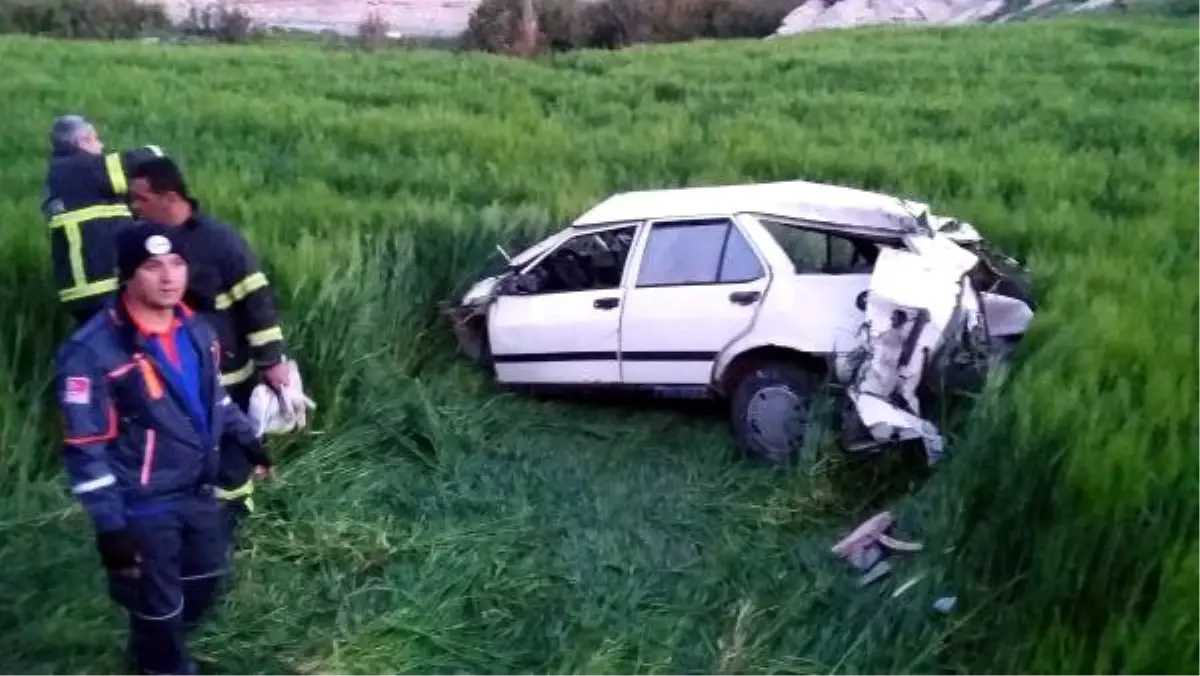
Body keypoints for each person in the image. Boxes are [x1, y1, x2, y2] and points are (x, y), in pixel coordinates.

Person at [55, 221, 266, 675]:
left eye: (176, 263)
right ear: (128, 275)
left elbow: (217, 400)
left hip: (198, 488)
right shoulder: (91, 352)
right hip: (144, 504)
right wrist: (112, 528)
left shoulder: (198, 331)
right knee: (162, 613)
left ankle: (150, 641)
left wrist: (249, 442)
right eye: (152, 266)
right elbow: (85, 447)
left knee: (206, 582)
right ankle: (162, 659)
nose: (169, 277)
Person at [124, 155, 313, 540]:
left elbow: (256, 304)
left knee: (228, 444)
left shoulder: (220, 242)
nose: (134, 206)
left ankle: (234, 512)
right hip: (168, 372)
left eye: (141, 198)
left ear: (169, 197)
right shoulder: (144, 242)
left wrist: (271, 360)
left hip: (225, 372)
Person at [41, 114, 167, 325]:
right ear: (82, 141)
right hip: (100, 285)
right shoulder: (76, 169)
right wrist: (157, 153)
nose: (101, 145)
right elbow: (133, 165)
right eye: (96, 139)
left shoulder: (68, 177)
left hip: (91, 285)